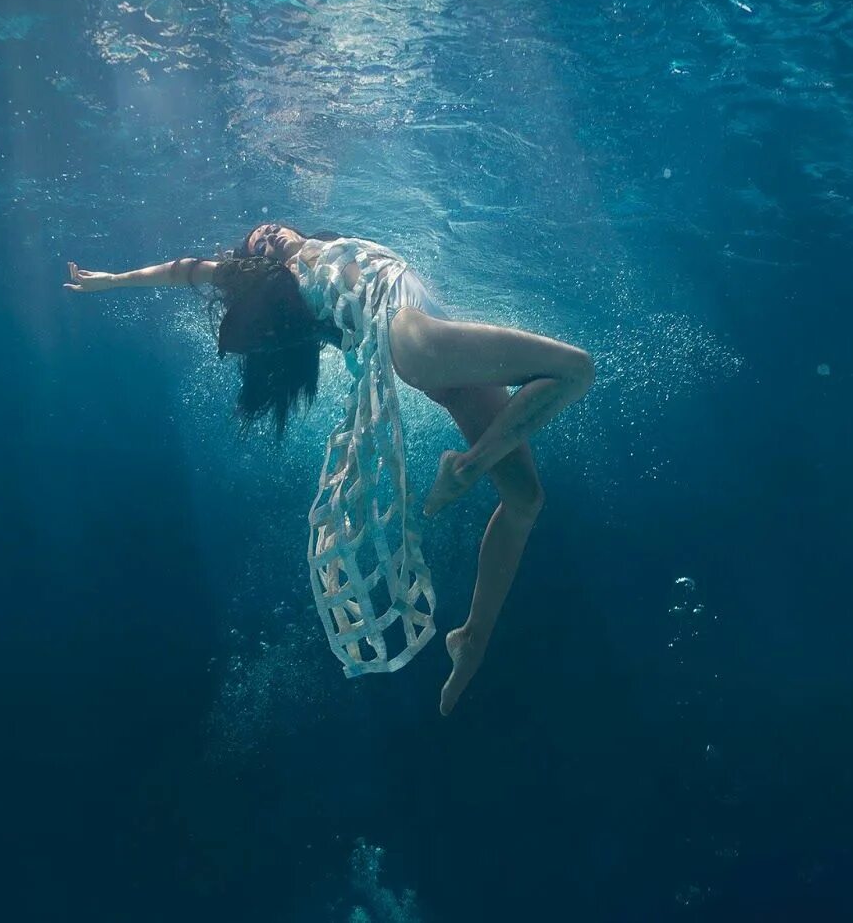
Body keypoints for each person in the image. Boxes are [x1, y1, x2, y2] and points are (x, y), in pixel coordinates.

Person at [65, 223, 594, 715]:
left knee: (525, 501)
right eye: (257, 245)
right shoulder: (293, 274)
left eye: (266, 229)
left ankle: (472, 640)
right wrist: (113, 280)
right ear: (257, 264)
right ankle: (465, 470)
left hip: (444, 364)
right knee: (575, 368)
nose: (265, 236)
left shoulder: (326, 246)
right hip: (412, 336)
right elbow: (187, 271)